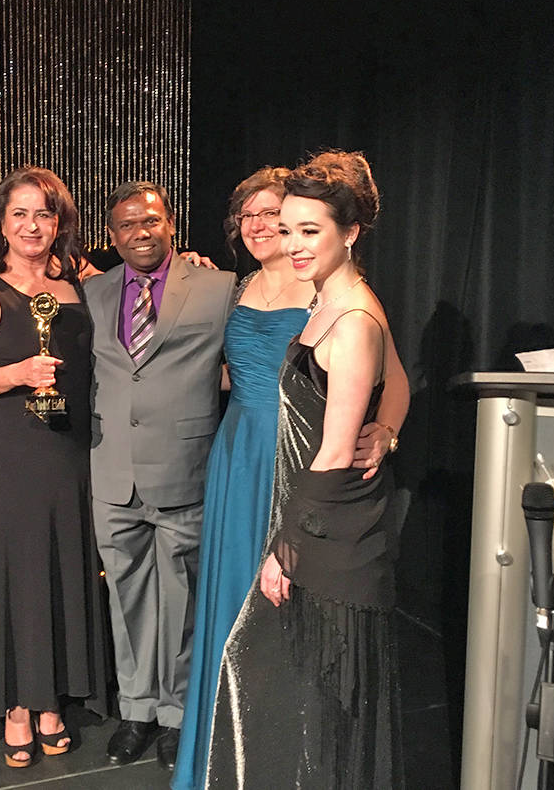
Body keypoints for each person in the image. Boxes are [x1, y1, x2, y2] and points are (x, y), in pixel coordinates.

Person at [172, 168, 409, 790]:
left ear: (341, 232)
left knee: (274, 629)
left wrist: (385, 431)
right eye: (253, 218)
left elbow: (394, 380)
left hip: (294, 466)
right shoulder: (242, 284)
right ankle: (222, 763)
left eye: (289, 221)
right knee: (231, 617)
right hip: (239, 455)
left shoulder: (336, 297)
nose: (269, 230)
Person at [0, 166, 109, 769]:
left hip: (69, 452)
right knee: (14, 572)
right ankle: (19, 705)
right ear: (0, 224)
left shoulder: (82, 286)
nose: (31, 225)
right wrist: (17, 373)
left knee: (63, 568)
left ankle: (52, 701)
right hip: (9, 453)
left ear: (60, 222)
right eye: (19, 214)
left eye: (43, 213)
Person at [86, 181, 237, 770]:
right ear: (113, 235)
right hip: (112, 472)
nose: (140, 234)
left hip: (184, 469)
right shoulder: (93, 291)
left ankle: (177, 712)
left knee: (180, 603)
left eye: (150, 221)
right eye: (127, 225)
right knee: (126, 598)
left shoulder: (219, 287)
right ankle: (136, 707)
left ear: (170, 223)